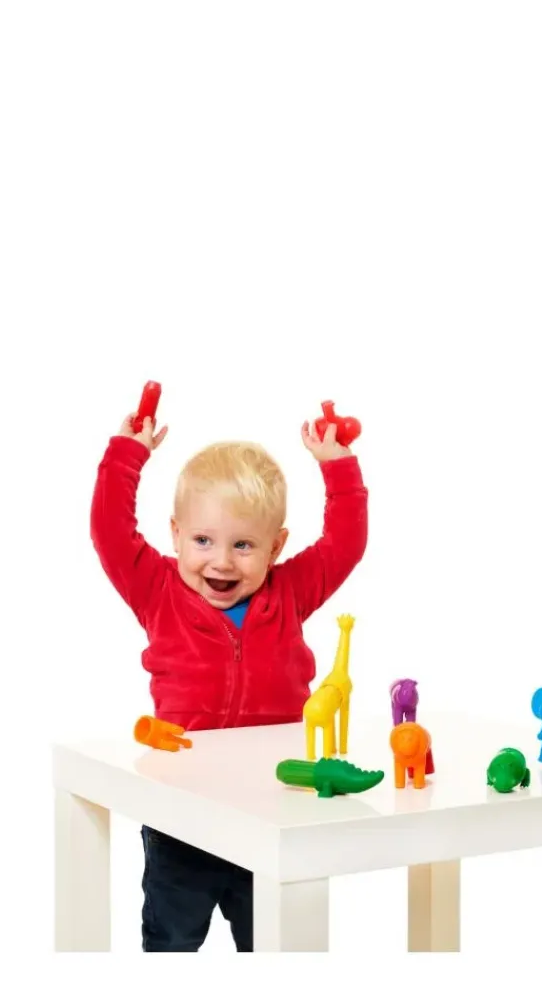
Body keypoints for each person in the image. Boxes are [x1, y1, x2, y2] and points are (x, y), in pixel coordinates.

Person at [90, 399, 368, 951]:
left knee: (273, 941)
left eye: (243, 545)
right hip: (181, 811)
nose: (221, 562)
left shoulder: (289, 592)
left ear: (276, 546)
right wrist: (126, 456)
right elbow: (109, 531)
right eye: (203, 541)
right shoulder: (157, 589)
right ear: (175, 534)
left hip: (274, 808)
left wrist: (338, 468)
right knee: (171, 941)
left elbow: (345, 545)